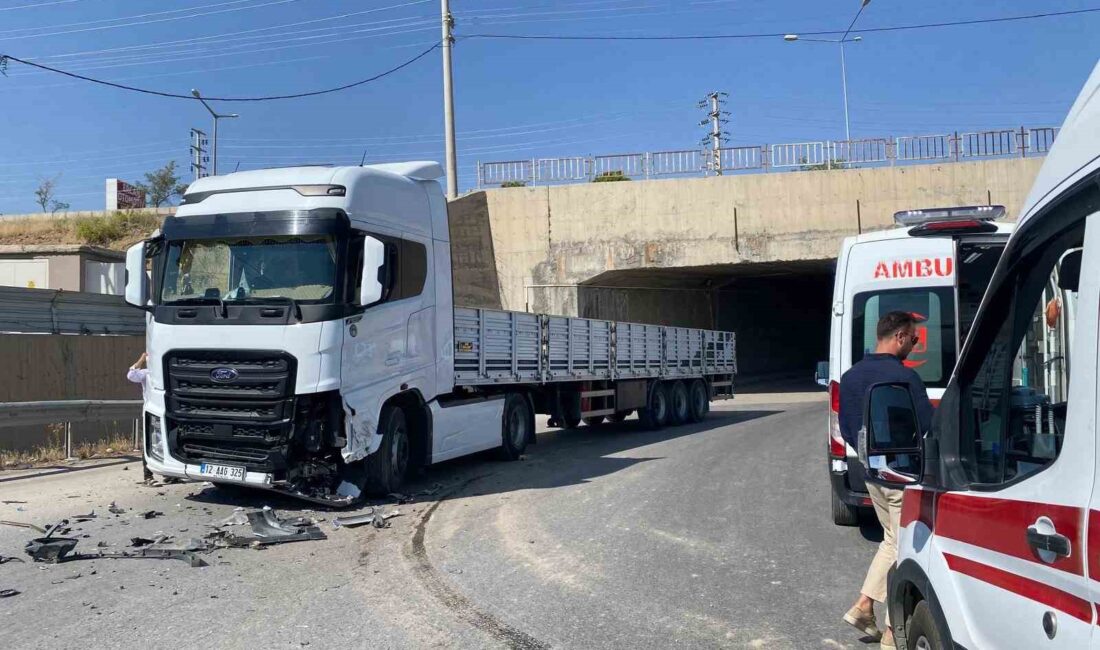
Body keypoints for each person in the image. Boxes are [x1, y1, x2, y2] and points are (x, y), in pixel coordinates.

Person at [839, 311, 934, 650]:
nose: (916, 344)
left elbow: (848, 429)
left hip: (872, 474)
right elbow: (927, 428)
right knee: (904, 548)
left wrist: (872, 459)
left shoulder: (850, 378)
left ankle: (864, 607)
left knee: (892, 541)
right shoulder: (905, 379)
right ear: (898, 338)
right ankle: (893, 633)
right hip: (902, 476)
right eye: (914, 338)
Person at [126, 352, 153, 482]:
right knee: (149, 444)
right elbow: (131, 375)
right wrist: (141, 360)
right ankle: (147, 476)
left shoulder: (165, 371)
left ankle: (170, 476)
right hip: (150, 413)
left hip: (166, 412)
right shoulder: (146, 373)